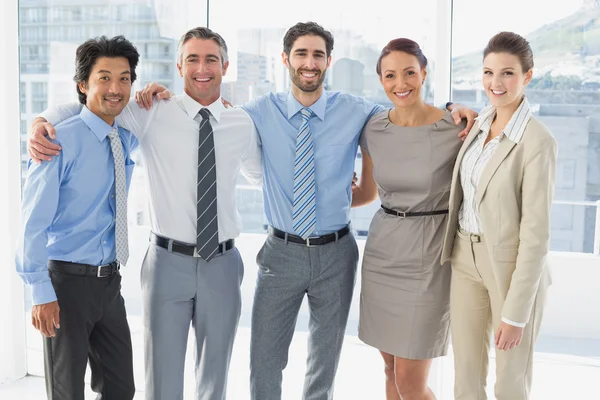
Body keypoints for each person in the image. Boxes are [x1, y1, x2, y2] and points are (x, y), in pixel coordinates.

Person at [133, 21, 477, 400]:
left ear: (329, 61)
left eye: (317, 54)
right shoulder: (255, 113)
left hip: (337, 253)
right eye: (301, 54)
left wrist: (452, 107)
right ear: (285, 59)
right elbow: (212, 116)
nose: (309, 63)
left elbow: (407, 106)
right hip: (281, 253)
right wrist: (157, 92)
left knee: (323, 363)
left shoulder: (358, 111)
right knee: (264, 360)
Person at [27, 27, 262, 400]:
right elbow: (95, 108)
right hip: (164, 262)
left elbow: (264, 174)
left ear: (225, 66)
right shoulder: (150, 112)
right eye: (192, 59)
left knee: (212, 375)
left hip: (221, 261)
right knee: (159, 381)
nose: (202, 68)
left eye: (211, 59)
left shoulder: (242, 123)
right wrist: (41, 121)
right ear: (179, 66)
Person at [15, 35, 139, 400]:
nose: (115, 88)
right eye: (104, 78)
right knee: (67, 392)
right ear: (83, 85)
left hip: (110, 282)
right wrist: (40, 291)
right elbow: (32, 222)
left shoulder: (126, 137)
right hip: (65, 284)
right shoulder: (57, 141)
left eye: (125, 78)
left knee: (120, 388)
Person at [440, 31, 557, 400]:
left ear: (527, 76)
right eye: (489, 72)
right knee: (466, 378)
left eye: (507, 73)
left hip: (510, 268)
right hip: (464, 259)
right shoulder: (477, 125)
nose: (496, 82)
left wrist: (517, 312)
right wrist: (452, 108)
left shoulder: (538, 142)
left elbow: (536, 236)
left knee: (510, 383)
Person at [351, 38, 466, 400]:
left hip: (430, 256)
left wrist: (461, 108)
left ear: (424, 74)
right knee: (389, 370)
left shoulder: (456, 125)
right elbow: (368, 194)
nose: (400, 84)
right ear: (381, 80)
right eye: (390, 76)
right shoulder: (373, 129)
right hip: (384, 252)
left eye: (409, 73)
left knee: (410, 381)